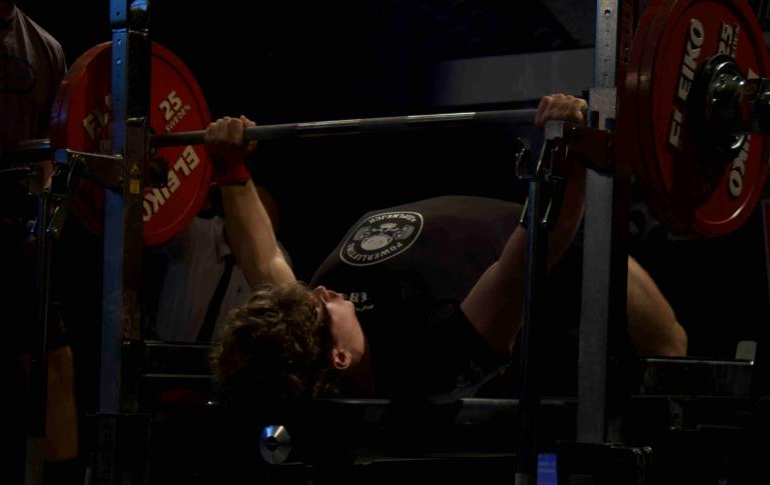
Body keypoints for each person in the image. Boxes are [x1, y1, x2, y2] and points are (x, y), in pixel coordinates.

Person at [204, 96, 688, 405]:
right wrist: (569, 151)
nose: (322, 291)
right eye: (321, 304)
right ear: (340, 359)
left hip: (521, 232)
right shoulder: (430, 364)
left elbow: (263, 259)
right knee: (670, 352)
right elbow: (527, 260)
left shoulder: (300, 328)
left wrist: (229, 169)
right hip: (556, 243)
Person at [0, 0, 80, 485]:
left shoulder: (47, 49)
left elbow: (54, 147)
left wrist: (40, 207)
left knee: (54, 360)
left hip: (16, 232)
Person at [149, 185, 292, 344]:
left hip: (223, 358)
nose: (254, 230)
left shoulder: (277, 262)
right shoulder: (196, 233)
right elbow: (158, 228)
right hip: (165, 351)